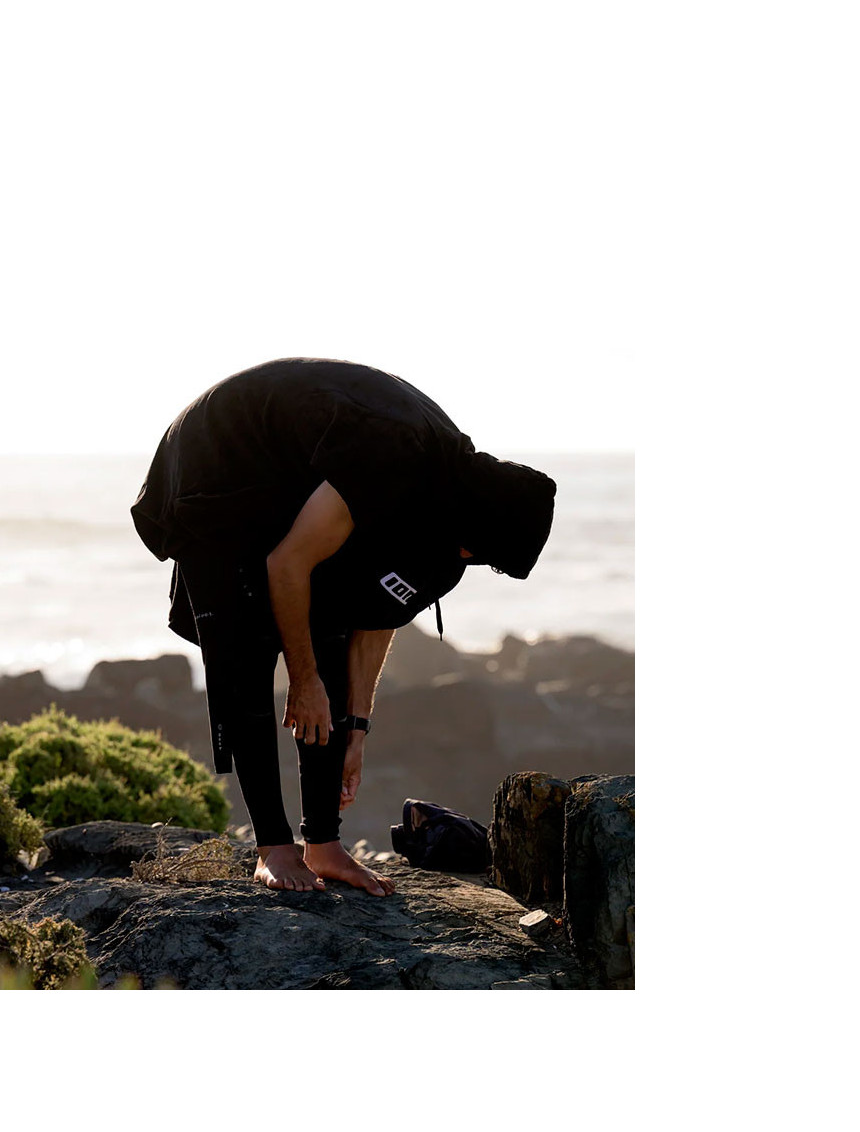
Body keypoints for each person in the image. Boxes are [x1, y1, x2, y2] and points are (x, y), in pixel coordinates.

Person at [131, 357, 556, 896]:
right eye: (480, 551)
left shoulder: (447, 492)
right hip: (217, 460)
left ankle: (323, 845)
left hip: (292, 473)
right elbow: (287, 565)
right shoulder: (390, 460)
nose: (471, 560)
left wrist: (356, 728)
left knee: (330, 614)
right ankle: (273, 849)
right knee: (247, 647)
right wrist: (304, 680)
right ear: (473, 519)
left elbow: (375, 614)